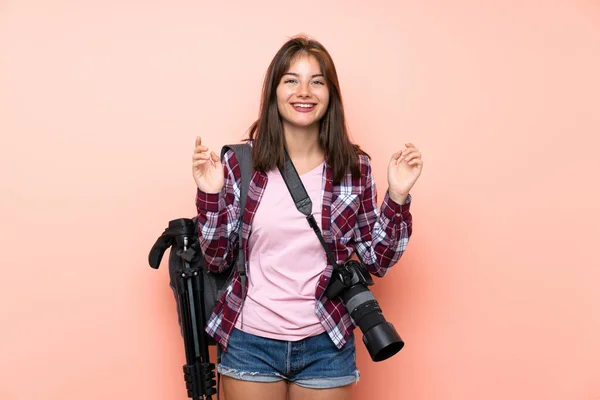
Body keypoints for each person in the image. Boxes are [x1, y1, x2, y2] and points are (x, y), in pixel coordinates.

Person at [191, 35, 423, 400]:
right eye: (291, 80)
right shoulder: (241, 163)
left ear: (331, 94)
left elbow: (378, 260)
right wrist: (210, 194)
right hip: (251, 338)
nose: (304, 91)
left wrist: (397, 195)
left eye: (316, 81)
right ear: (274, 93)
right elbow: (217, 257)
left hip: (325, 343)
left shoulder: (355, 168)